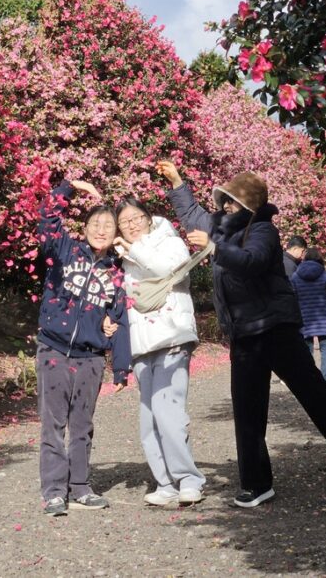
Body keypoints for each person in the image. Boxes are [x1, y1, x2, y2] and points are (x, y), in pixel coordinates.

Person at [157, 160, 326, 508]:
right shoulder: (220, 229)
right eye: (224, 201)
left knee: (315, 394)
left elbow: (251, 261)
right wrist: (177, 181)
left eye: (232, 202)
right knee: (247, 411)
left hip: (276, 329)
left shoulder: (264, 230)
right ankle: (256, 484)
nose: (225, 207)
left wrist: (216, 248)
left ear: (248, 206)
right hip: (243, 334)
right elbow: (192, 214)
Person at [35, 178, 131, 517]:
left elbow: (119, 318)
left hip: (91, 357)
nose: (101, 230)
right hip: (54, 350)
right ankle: (53, 492)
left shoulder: (117, 272)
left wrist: (121, 365)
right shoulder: (65, 250)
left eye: (108, 226)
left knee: (82, 425)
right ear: (85, 227)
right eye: (96, 223)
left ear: (116, 233)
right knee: (53, 424)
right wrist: (69, 187)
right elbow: (48, 220)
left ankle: (80, 487)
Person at [107, 196, 205, 507]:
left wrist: (132, 249)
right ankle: (165, 483)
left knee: (168, 412)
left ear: (149, 218)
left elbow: (167, 269)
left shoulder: (169, 242)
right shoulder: (122, 257)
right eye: (125, 222)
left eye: (136, 218)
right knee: (148, 419)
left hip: (171, 337)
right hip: (141, 344)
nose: (132, 225)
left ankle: (189, 480)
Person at [290, 248, 326, 385]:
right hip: (321, 317)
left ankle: (309, 378)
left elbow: (292, 294)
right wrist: (325, 298)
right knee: (325, 348)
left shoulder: (296, 276)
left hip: (305, 318)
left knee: (307, 350)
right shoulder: (324, 275)